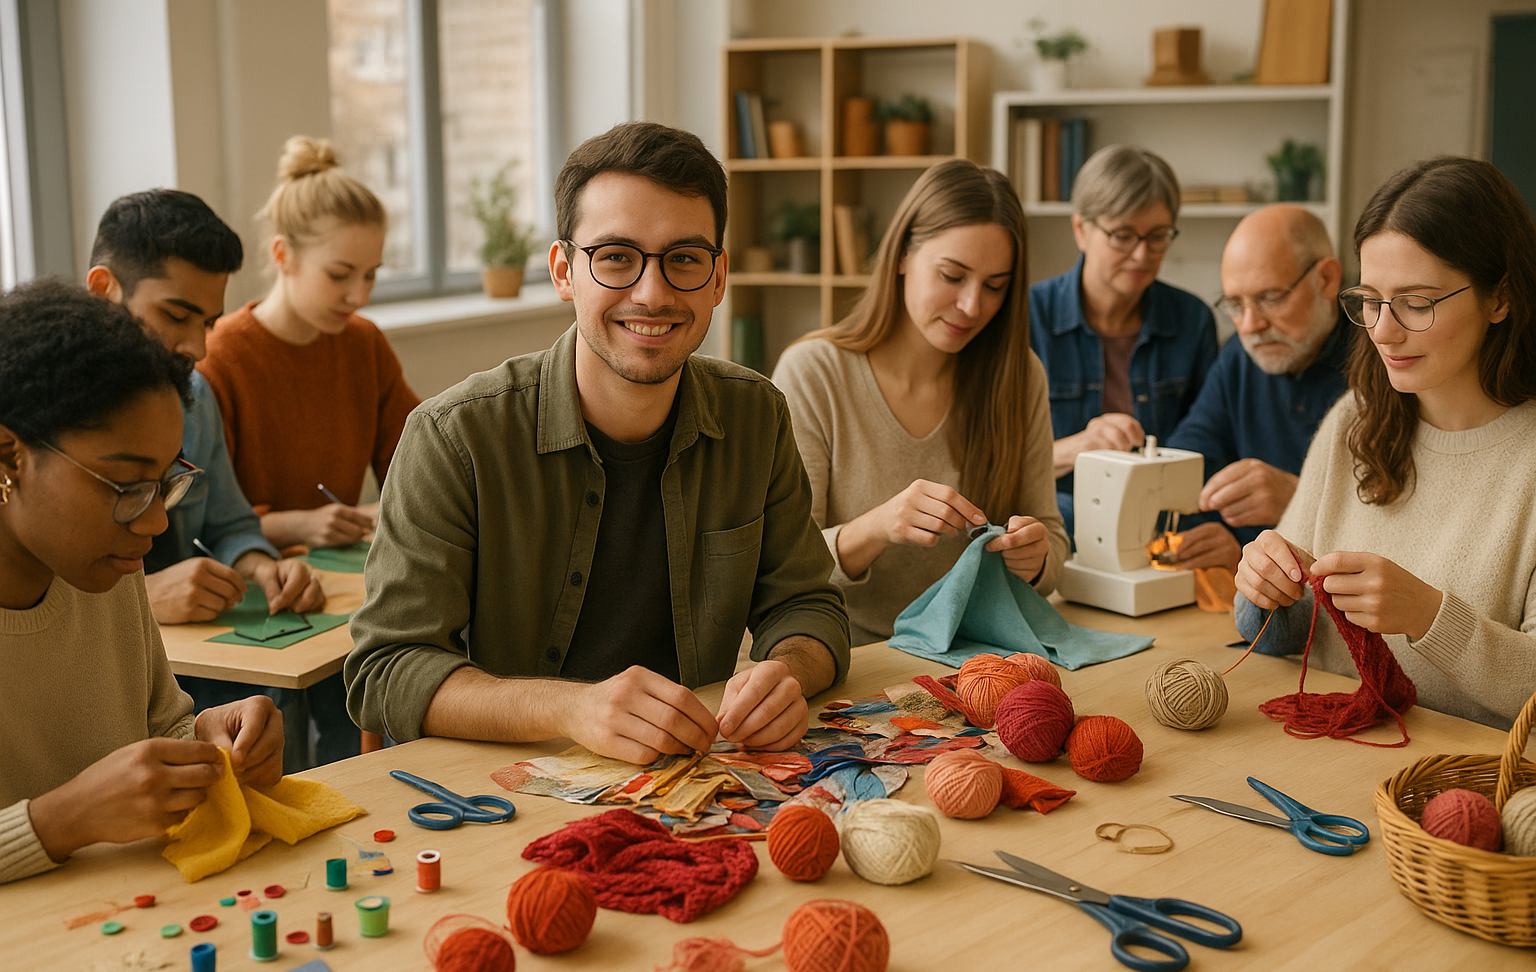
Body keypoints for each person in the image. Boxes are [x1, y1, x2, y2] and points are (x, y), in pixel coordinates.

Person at [344, 122, 849, 765]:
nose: (652, 292)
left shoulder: (756, 415)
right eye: (616, 257)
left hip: (692, 780)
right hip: (504, 789)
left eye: (685, 259)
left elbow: (807, 604)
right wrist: (569, 708)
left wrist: (790, 671)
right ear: (564, 271)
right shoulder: (453, 438)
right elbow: (385, 671)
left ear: (719, 278)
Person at [1235, 157, 1536, 730]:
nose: (1383, 330)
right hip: (1321, 752)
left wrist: (1428, 617)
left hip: (1450, 788)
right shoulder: (1354, 421)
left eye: (1417, 303)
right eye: (1370, 300)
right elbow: (1280, 637)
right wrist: (1261, 589)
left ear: (1500, 297)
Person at [0, 279, 283, 885]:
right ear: (9, 458)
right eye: (127, 487)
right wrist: (59, 820)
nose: (155, 521)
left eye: (165, 482)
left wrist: (208, 739)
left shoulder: (104, 566)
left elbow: (156, 726)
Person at [774, 159, 1068, 645]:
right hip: (843, 655)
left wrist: (1036, 558)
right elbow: (784, 569)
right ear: (902, 255)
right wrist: (877, 527)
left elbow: (1053, 541)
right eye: (953, 275)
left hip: (971, 656)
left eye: (995, 286)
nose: (973, 306)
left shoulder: (1019, 377)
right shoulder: (814, 373)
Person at [85, 190, 326, 626]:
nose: (197, 348)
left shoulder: (193, 396)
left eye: (209, 324)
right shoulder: (32, 412)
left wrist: (263, 567)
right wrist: (145, 597)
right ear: (104, 290)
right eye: (176, 317)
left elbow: (229, 526)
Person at [199, 135, 420, 552]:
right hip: (251, 582)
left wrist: (399, 502)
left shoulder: (364, 344)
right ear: (283, 255)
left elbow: (421, 463)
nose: (359, 296)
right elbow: (200, 523)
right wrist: (294, 526)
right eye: (340, 275)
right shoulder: (218, 358)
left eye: (370, 274)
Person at [1029, 145, 1218, 536]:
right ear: (1081, 229)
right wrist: (1076, 449)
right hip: (1054, 521)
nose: (1141, 254)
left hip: (1160, 523)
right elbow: (987, 463)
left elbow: (1208, 446)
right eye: (1122, 236)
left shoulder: (1191, 320)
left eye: (1158, 236)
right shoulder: (1028, 318)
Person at [1162, 204, 1350, 570]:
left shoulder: (1386, 361)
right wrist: (1229, 543)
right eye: (1235, 304)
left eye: (1270, 298)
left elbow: (1410, 526)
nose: (1250, 325)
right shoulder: (1239, 358)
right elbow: (1185, 467)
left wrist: (1300, 498)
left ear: (1326, 279)